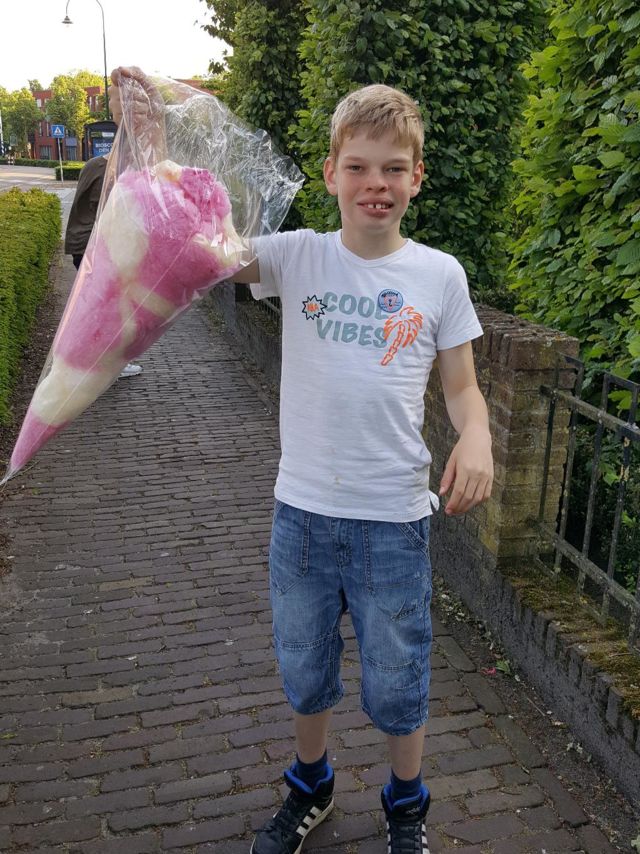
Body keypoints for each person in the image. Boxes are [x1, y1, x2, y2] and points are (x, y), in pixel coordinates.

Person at [110, 72, 493, 854]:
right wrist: (153, 142)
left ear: (417, 177)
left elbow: (462, 388)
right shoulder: (298, 257)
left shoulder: (440, 275)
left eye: (393, 168)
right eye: (358, 166)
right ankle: (311, 786)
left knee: (399, 678)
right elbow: (201, 248)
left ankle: (406, 805)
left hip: (394, 522)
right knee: (305, 668)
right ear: (330, 174)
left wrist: (477, 436)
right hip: (304, 517)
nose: (376, 183)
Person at [64, 146, 142, 379]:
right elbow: (108, 213)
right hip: (93, 247)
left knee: (98, 306)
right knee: (106, 309)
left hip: (85, 244)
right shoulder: (107, 171)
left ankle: (93, 363)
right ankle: (104, 365)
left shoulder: (94, 164)